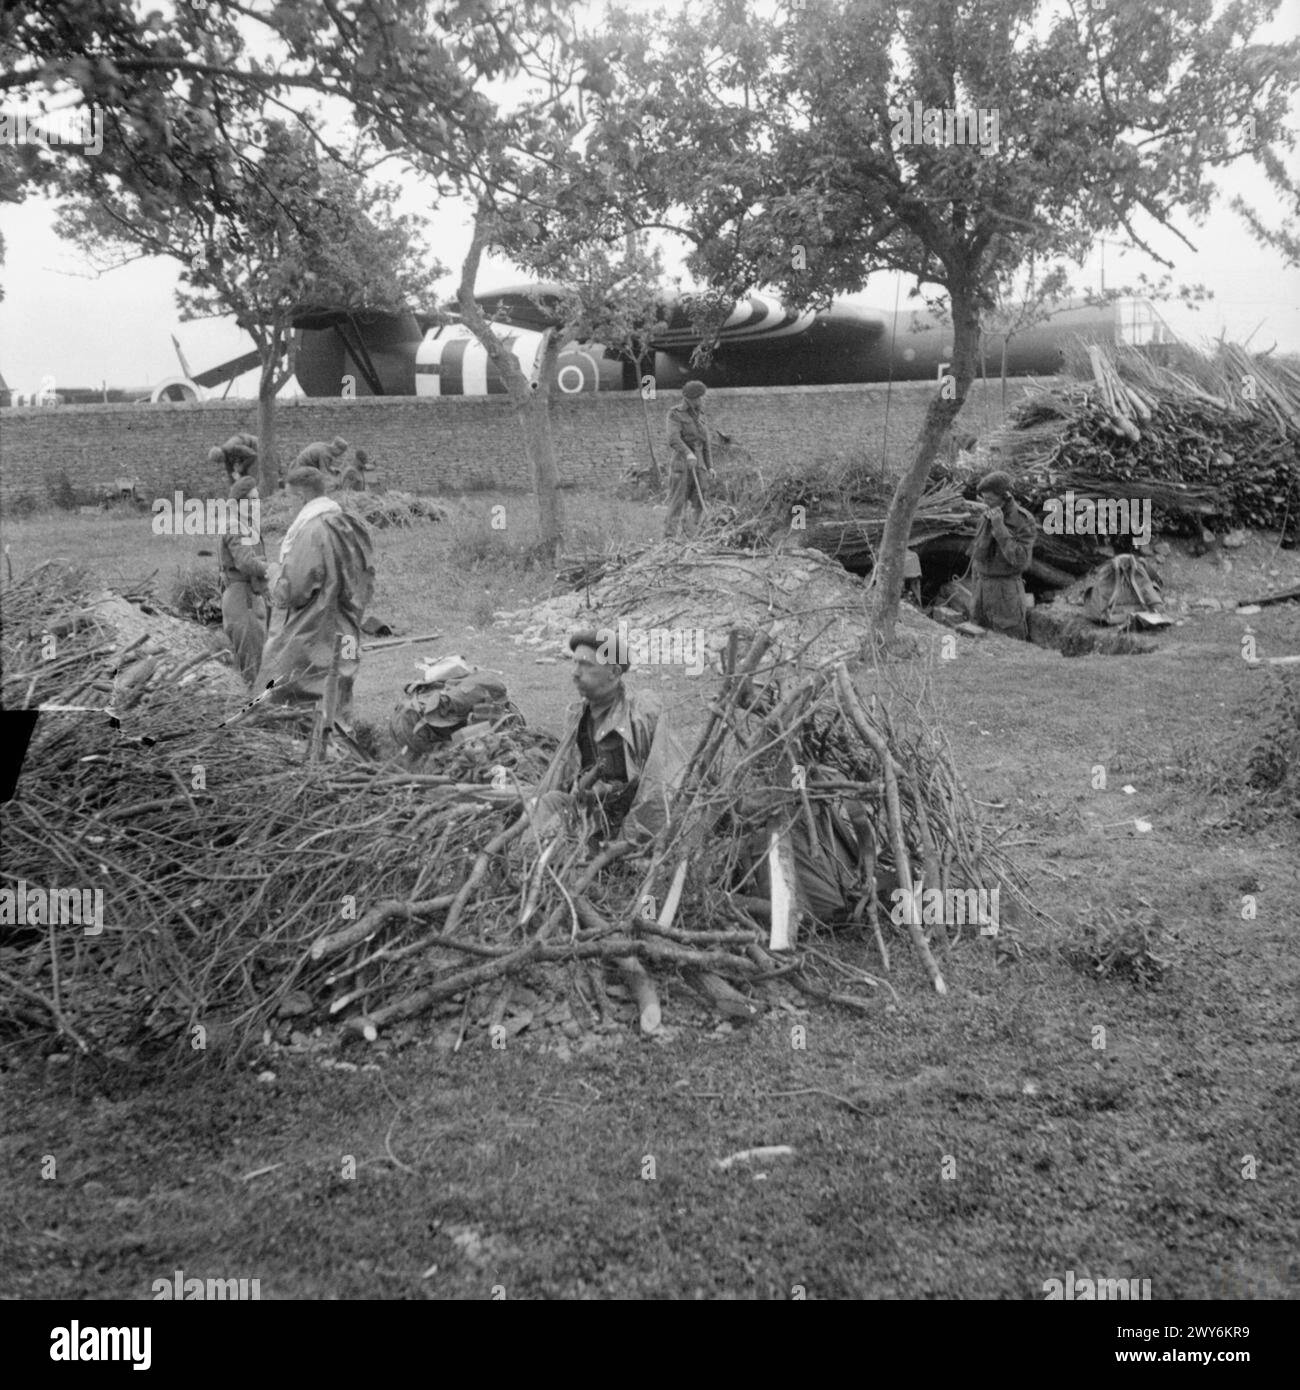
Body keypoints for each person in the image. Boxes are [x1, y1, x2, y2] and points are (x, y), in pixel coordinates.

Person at [531, 630, 691, 843]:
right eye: (575, 663)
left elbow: (659, 789)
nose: (575, 673)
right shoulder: (578, 715)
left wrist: (631, 835)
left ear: (614, 672)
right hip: (590, 810)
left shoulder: (641, 713)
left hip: (627, 818)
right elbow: (566, 775)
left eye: (586, 665)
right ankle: (525, 861)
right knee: (545, 803)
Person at [255, 465, 375, 726]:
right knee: (341, 683)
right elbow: (366, 577)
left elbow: (294, 592)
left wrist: (275, 573)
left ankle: (308, 747)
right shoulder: (349, 523)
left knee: (290, 684)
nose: (287, 505)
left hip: (315, 629)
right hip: (349, 624)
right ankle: (344, 739)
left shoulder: (311, 532)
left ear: (301, 497)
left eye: (288, 497)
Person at [969, 470, 1037, 639]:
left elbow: (1020, 560)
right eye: (984, 499)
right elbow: (977, 555)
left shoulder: (1023, 520)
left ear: (1005, 496)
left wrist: (1000, 529)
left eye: (990, 499)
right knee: (977, 639)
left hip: (1005, 592)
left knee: (1009, 641)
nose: (986, 503)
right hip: (981, 589)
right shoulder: (986, 516)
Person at [218, 473, 269, 684]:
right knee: (250, 659)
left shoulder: (244, 523)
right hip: (242, 596)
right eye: (253, 500)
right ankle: (251, 707)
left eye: (257, 500)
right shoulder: (236, 526)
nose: (257, 504)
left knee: (255, 652)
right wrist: (272, 569)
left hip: (248, 594)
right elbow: (246, 562)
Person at [664, 380, 715, 539]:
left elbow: (705, 443)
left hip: (699, 466)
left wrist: (710, 466)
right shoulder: (675, 414)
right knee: (677, 502)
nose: (703, 400)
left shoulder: (701, 415)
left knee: (699, 502)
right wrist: (687, 453)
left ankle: (692, 537)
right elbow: (673, 439)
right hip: (682, 464)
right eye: (701, 397)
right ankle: (670, 539)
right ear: (692, 399)